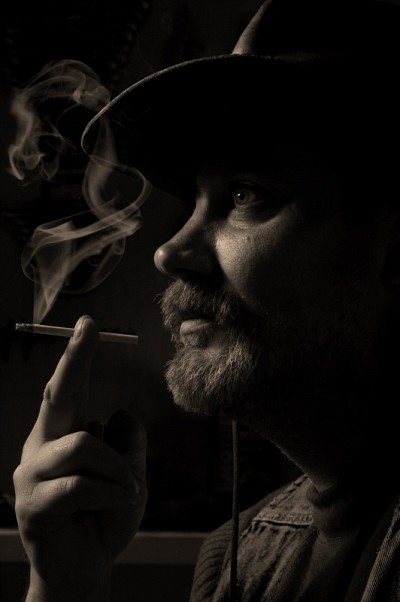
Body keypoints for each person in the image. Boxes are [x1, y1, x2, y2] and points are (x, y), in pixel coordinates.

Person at [12, 0, 400, 600]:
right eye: (194, 200)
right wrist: (65, 580)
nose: (169, 253)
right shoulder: (238, 555)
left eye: (244, 195)